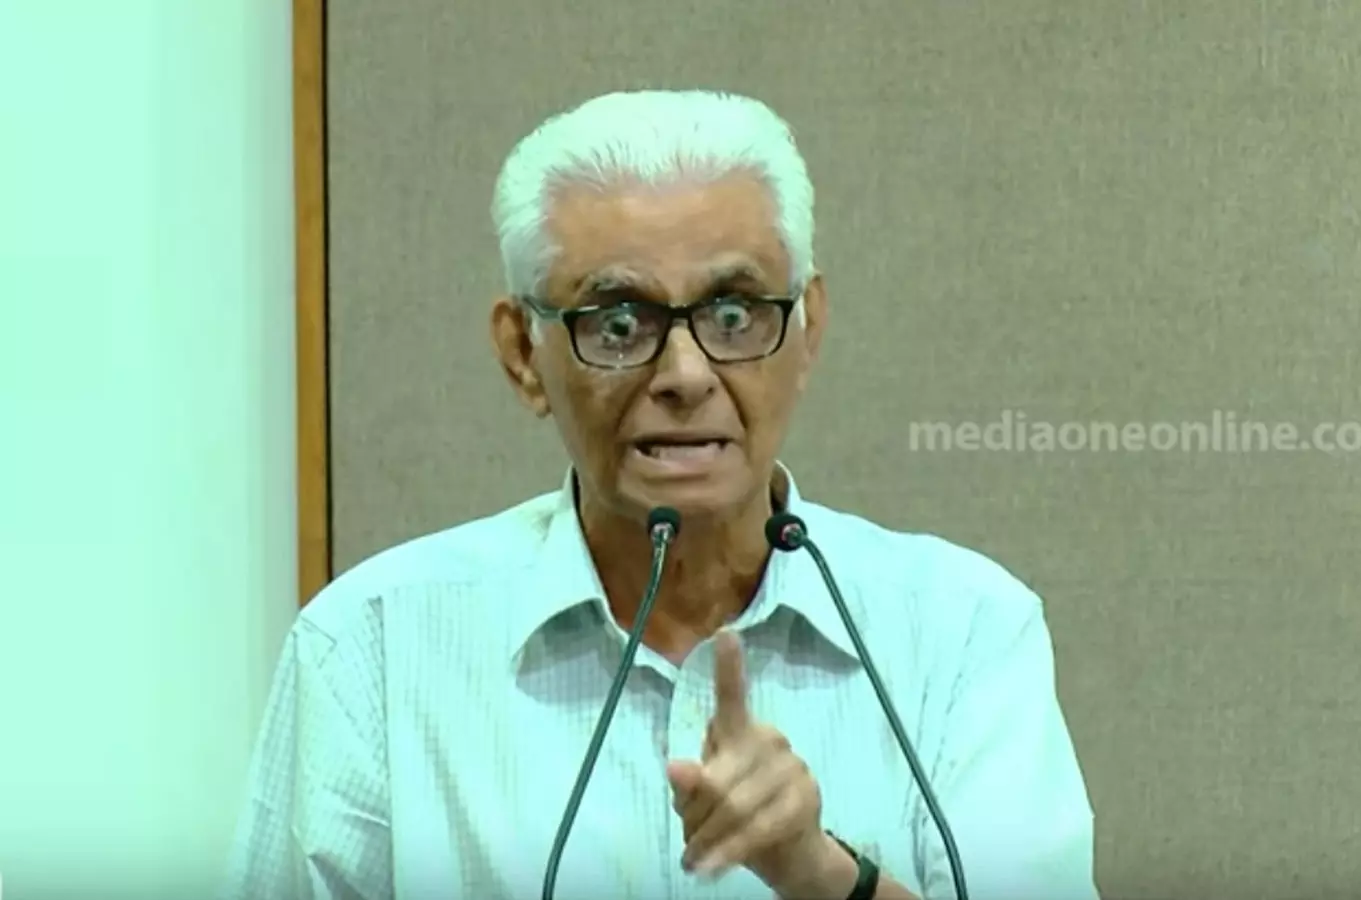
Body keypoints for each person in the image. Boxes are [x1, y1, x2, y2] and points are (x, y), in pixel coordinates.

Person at [219, 89, 1099, 900]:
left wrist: (820, 876)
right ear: (523, 355)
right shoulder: (373, 646)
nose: (686, 374)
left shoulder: (961, 633)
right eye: (618, 323)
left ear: (807, 332)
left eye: (733, 316)